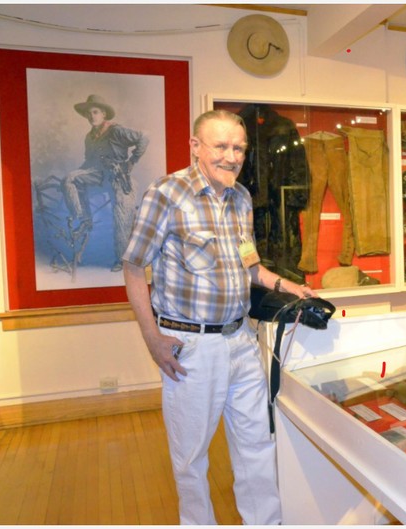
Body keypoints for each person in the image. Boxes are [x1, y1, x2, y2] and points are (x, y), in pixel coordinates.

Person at [122, 109, 315, 525]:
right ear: (196, 147)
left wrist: (289, 287)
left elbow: (250, 268)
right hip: (192, 348)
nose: (231, 157)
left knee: (256, 448)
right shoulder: (166, 195)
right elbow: (134, 267)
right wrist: (152, 338)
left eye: (239, 148)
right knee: (191, 459)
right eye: (221, 146)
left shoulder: (241, 198)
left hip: (241, 341)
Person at [63, 94, 149, 272]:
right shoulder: (90, 137)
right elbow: (89, 161)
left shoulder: (116, 130)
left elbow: (144, 138)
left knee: (121, 219)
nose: (91, 116)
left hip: (119, 178)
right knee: (69, 178)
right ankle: (81, 218)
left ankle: (122, 260)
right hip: (98, 175)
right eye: (88, 113)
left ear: (103, 114)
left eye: (95, 112)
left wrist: (131, 161)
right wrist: (80, 174)